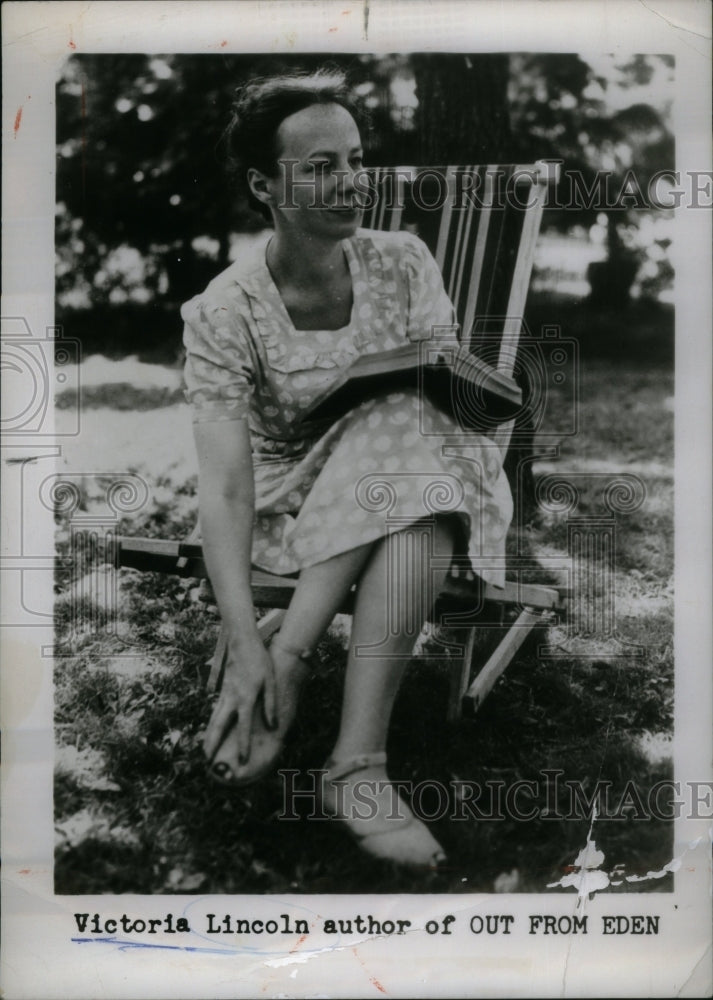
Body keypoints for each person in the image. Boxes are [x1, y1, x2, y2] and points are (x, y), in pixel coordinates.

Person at [181, 70, 513, 867]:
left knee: (404, 428)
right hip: (288, 501)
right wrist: (238, 630)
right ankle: (355, 766)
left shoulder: (401, 260)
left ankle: (289, 665)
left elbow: (449, 389)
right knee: (418, 503)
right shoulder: (223, 312)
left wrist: (446, 383)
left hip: (420, 468)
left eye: (355, 159)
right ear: (265, 184)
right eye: (321, 165)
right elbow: (228, 488)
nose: (349, 182)